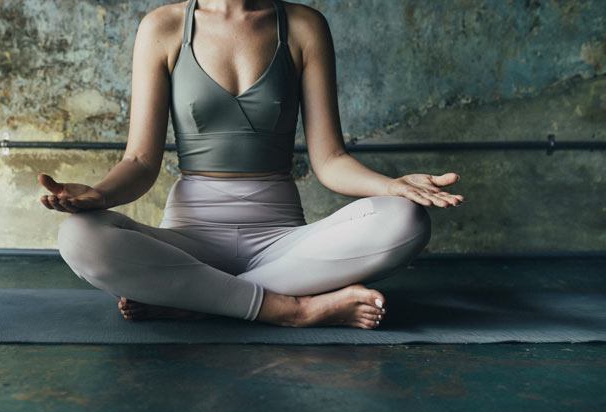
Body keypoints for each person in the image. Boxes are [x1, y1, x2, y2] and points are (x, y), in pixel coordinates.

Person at [38, 0, 464, 329]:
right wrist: (100, 194)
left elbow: (331, 160)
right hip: (189, 241)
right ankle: (293, 310)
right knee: (79, 236)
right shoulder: (163, 28)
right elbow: (140, 161)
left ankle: (201, 303)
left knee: (406, 219)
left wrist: (390, 187)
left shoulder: (302, 26)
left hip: (282, 241)